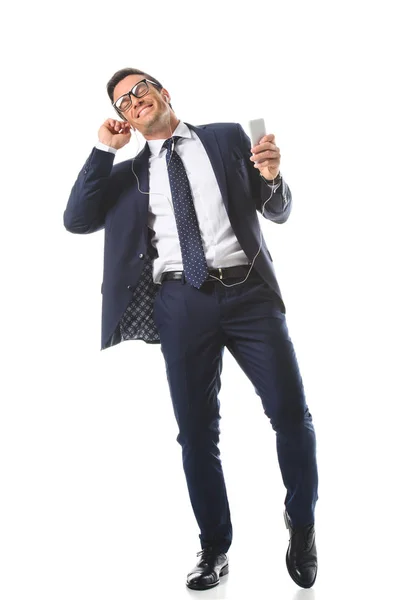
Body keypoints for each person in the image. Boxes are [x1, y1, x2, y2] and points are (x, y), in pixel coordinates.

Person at [63, 68, 319, 590]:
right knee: (197, 434)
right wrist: (101, 151)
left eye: (141, 89)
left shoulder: (225, 137)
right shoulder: (131, 173)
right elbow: (77, 218)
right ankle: (214, 549)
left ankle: (303, 523)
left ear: (164, 92)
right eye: (123, 100)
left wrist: (273, 179)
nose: (134, 101)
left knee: (291, 413)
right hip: (181, 302)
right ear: (124, 118)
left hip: (249, 293)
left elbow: (279, 211)